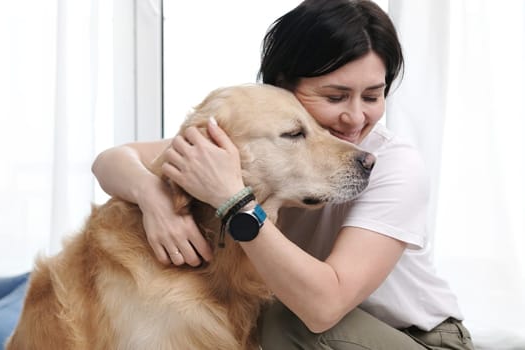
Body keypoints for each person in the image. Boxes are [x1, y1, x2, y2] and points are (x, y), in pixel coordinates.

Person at [92, 0, 475, 349]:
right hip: (327, 335)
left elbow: (323, 308)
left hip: (417, 340)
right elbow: (112, 159)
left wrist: (234, 201)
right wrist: (153, 196)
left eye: (372, 97)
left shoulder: (393, 164)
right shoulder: (259, 132)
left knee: (280, 320)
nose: (356, 118)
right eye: (335, 97)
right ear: (283, 87)